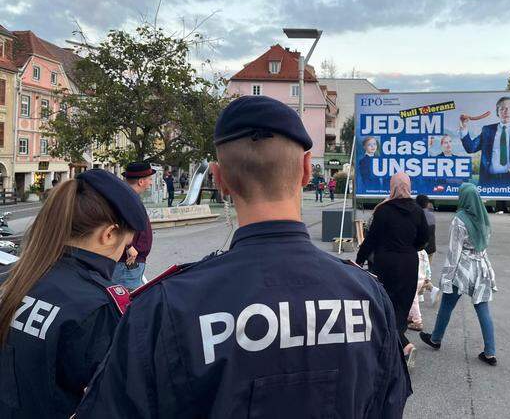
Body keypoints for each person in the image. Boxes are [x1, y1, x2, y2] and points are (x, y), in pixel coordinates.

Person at [75, 95, 411, 418]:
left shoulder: (165, 309)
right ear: (307, 170)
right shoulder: (368, 297)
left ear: (219, 179)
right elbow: (388, 404)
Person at [0, 169, 147, 418]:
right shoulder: (97, 306)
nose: (125, 254)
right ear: (108, 234)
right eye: (125, 245)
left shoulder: (11, 277)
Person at [356, 172, 429, 368]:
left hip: (385, 263)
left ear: (392, 186)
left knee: (384, 303)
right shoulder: (417, 211)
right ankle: (400, 341)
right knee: (402, 304)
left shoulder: (383, 210)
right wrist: (410, 247)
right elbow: (423, 240)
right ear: (408, 186)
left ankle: (400, 345)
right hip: (408, 263)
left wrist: (359, 260)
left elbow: (371, 240)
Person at [420, 183, 498, 366]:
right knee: (482, 308)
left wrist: (446, 277)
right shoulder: (484, 218)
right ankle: (490, 352)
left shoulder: (459, 220)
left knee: (447, 304)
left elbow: (454, 253)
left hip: (463, 269)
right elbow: (484, 246)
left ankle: (436, 339)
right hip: (482, 268)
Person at [459, 96, 510, 189]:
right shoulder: (487, 130)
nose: (507, 111)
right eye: (503, 109)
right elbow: (471, 148)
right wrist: (464, 128)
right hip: (489, 181)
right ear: (497, 112)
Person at [112, 162, 155, 291]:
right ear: (141, 181)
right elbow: (116, 223)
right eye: (149, 179)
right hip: (127, 261)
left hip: (130, 261)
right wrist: (128, 246)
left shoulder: (128, 197)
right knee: (126, 302)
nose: (151, 183)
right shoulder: (127, 200)